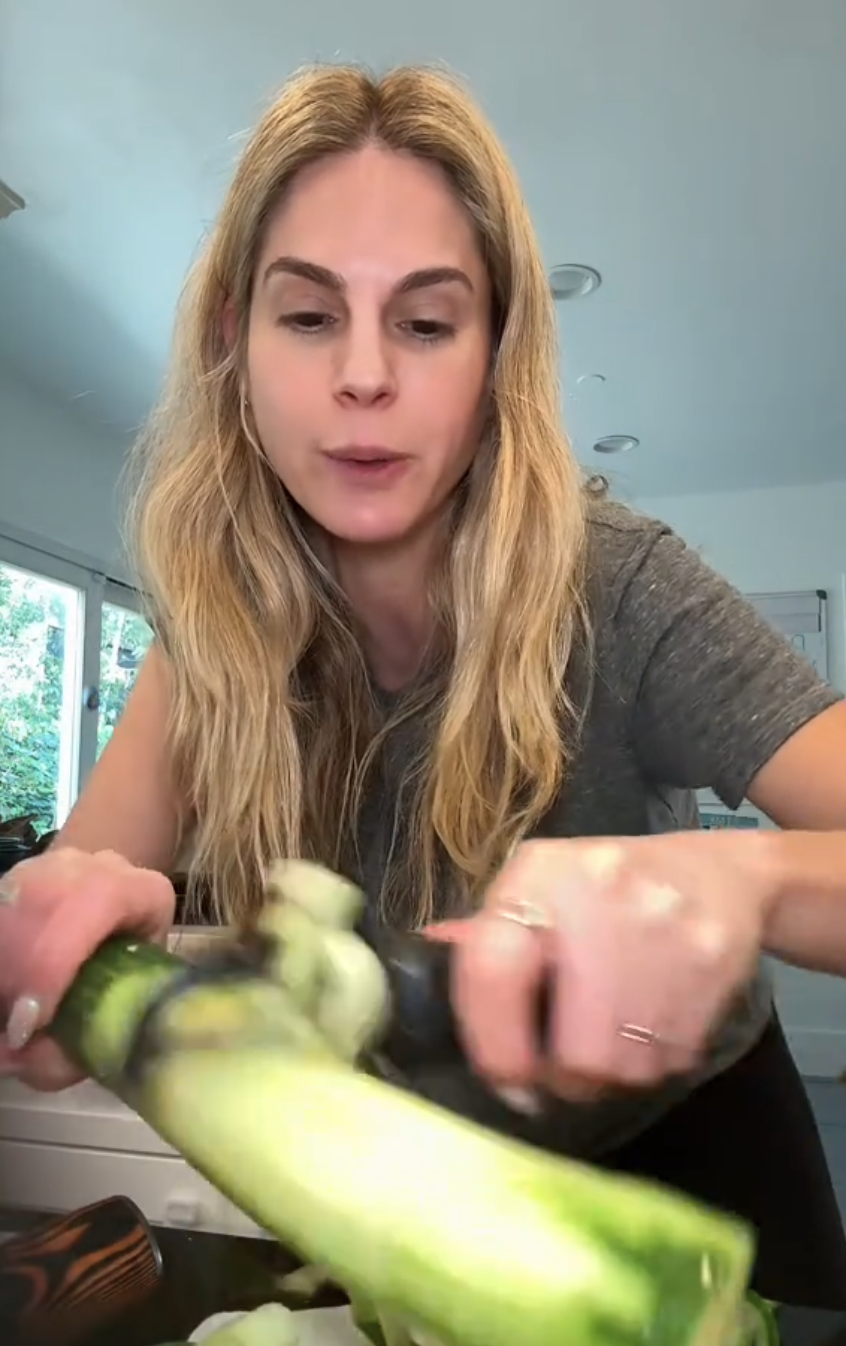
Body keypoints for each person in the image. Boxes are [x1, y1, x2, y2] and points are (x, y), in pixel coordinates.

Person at [2, 62, 846, 1310]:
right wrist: (55, 933)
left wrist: (733, 877)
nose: (361, 376)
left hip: (696, 1196)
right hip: (431, 1214)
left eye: (426, 321)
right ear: (235, 340)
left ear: (494, 347)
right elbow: (52, 981)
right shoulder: (212, 635)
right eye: (307, 317)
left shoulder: (622, 587)